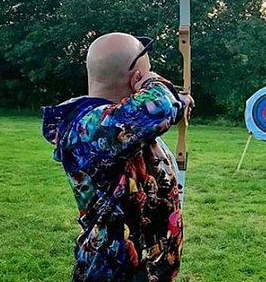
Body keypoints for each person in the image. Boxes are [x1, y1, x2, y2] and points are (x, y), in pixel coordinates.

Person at [41, 32, 193, 282]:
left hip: (145, 271)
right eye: (147, 77)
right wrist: (159, 87)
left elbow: (150, 116)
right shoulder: (88, 127)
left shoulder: (121, 125)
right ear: (136, 80)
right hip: (113, 274)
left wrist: (180, 101)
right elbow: (158, 107)